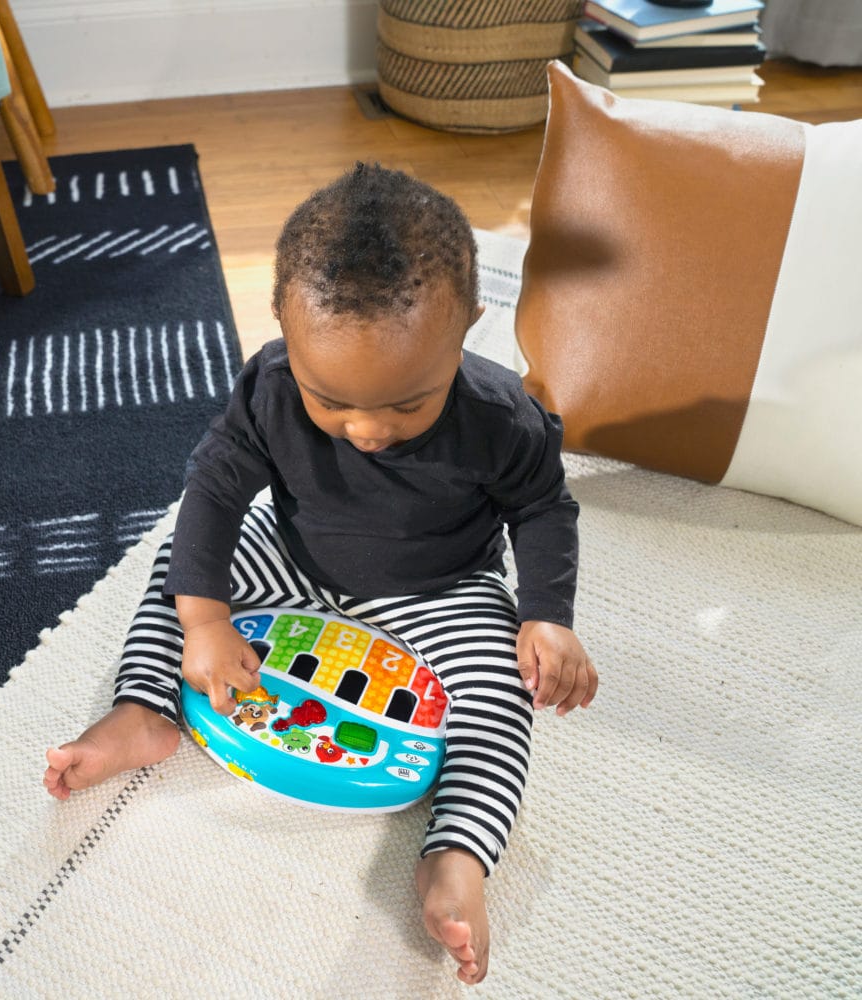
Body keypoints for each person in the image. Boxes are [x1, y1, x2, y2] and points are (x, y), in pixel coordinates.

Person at [43, 163, 598, 984]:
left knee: (500, 694)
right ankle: (143, 710)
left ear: (469, 330)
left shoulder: (498, 417)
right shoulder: (268, 384)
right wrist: (204, 622)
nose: (367, 427)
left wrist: (546, 613)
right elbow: (216, 491)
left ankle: (457, 856)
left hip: (442, 584)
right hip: (296, 556)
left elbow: (545, 508)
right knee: (183, 567)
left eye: (409, 403)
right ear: (283, 329)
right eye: (329, 399)